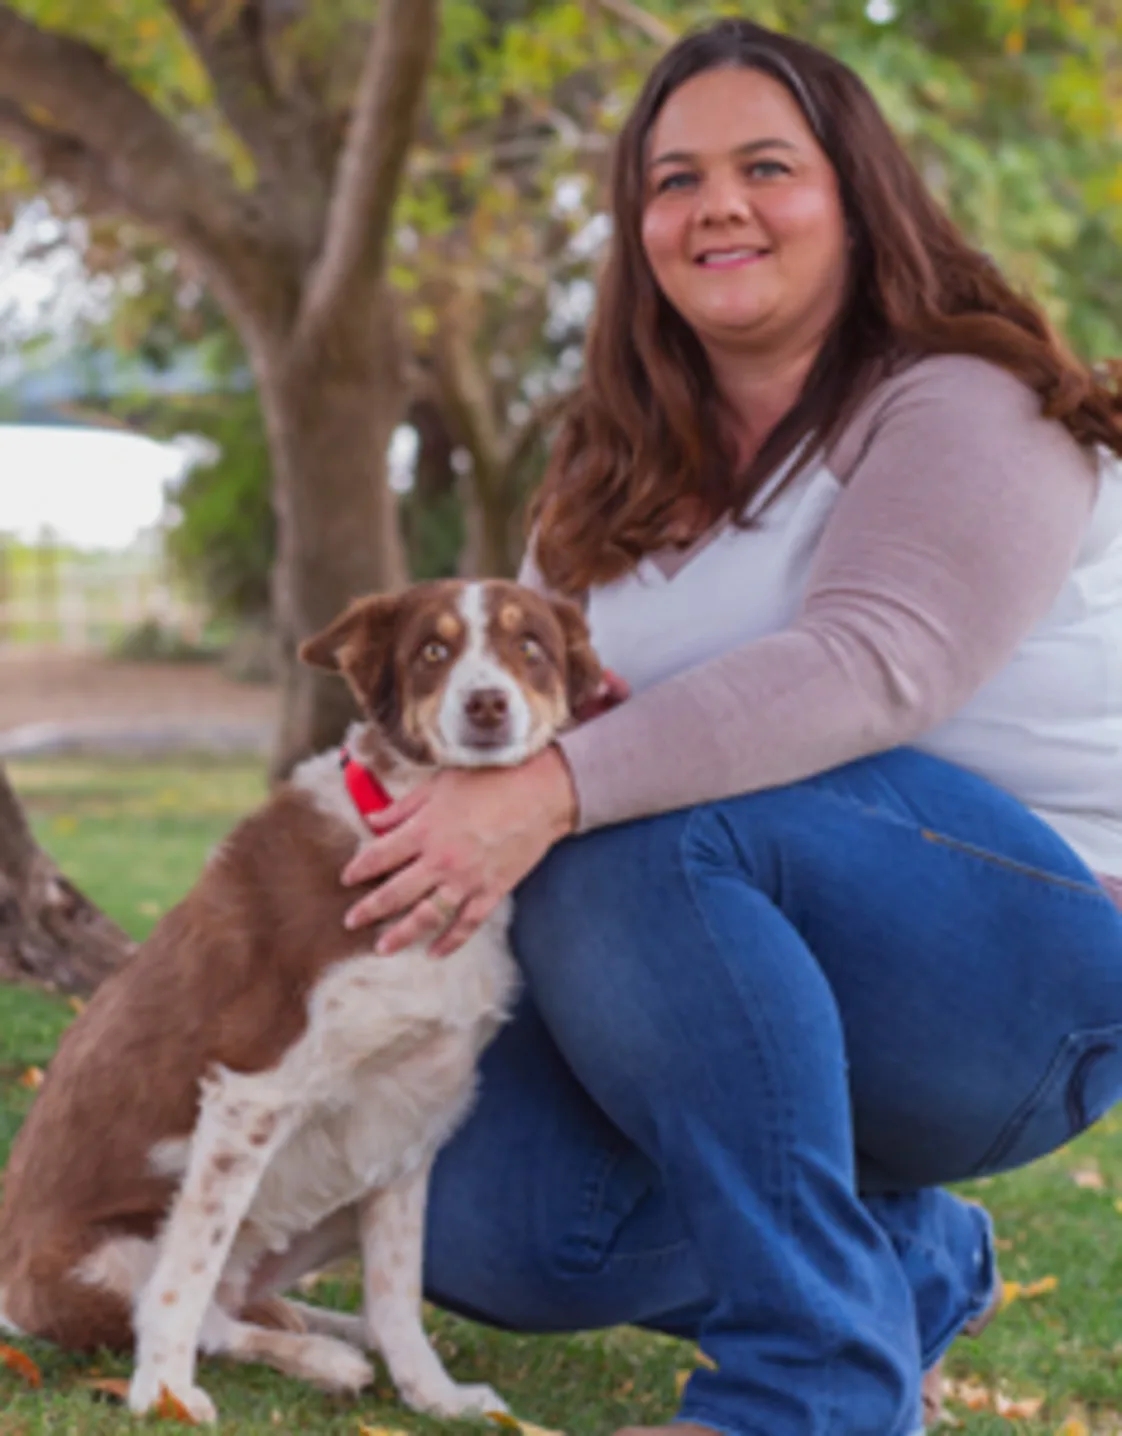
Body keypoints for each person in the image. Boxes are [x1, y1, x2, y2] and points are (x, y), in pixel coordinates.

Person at [339, 19, 1122, 1436]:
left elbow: (873, 662)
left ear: (856, 197)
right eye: (671, 178)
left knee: (636, 821)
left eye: (767, 166)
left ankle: (806, 1391)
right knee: (472, 1205)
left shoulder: (964, 399)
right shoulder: (601, 466)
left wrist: (565, 784)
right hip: (717, 971)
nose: (716, 207)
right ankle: (903, 1265)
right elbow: (505, 734)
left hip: (1030, 972)